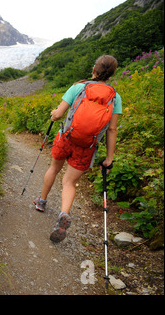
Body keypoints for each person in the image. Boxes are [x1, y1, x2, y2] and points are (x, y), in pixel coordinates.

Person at [33, 55, 122, 243]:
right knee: (69, 182)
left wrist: (53, 114)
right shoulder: (115, 97)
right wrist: (109, 158)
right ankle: (63, 214)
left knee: (54, 169)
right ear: (112, 74)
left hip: (66, 138)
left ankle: (41, 202)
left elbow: (58, 114)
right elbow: (112, 129)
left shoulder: (78, 87)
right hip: (87, 147)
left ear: (93, 70)